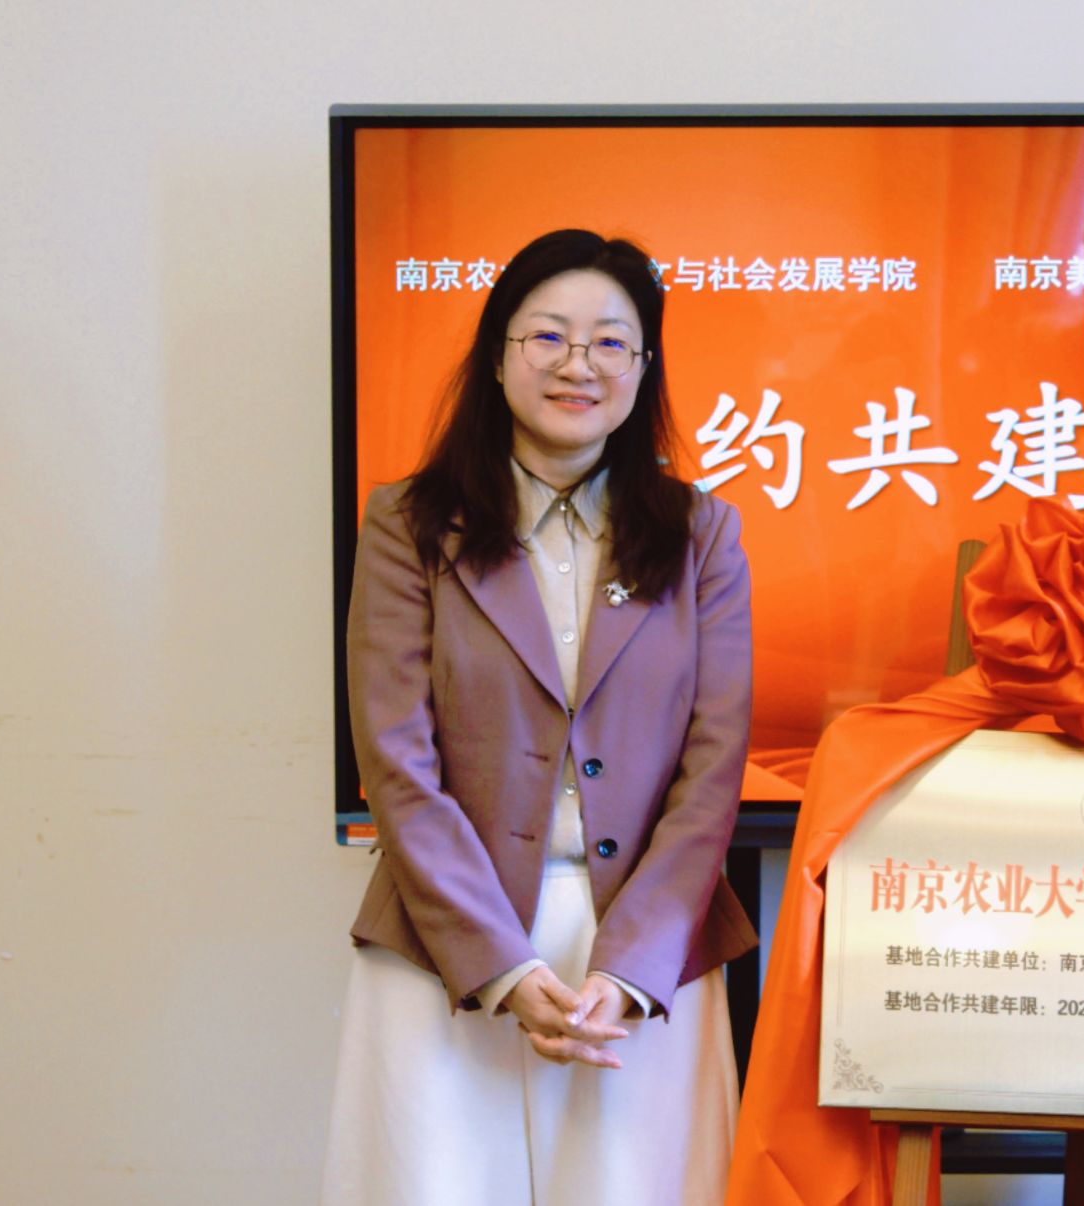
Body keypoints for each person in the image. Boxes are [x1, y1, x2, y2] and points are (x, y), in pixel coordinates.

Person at [322, 228, 756, 1204]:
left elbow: (712, 774)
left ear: (644, 367)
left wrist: (628, 971)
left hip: (643, 963)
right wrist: (502, 969)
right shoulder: (407, 524)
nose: (578, 364)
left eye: (611, 342)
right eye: (548, 336)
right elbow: (396, 767)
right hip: (446, 952)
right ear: (497, 355)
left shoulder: (701, 536)